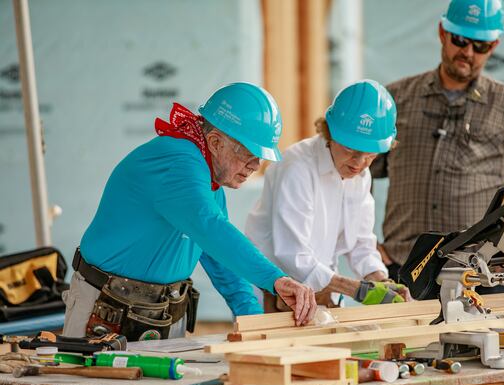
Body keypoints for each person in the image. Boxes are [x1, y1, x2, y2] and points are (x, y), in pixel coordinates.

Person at [63, 82, 317, 341]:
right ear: (216, 142)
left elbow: (221, 260)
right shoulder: (179, 162)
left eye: (260, 158)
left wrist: (254, 322)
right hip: (106, 311)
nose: (255, 166)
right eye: (249, 154)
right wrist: (275, 279)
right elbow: (211, 228)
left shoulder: (208, 181)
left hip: (159, 313)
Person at [371, 0, 504, 297]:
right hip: (405, 272)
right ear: (443, 32)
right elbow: (357, 171)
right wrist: (365, 245)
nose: (467, 53)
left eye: (480, 46)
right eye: (460, 40)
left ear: (493, 45)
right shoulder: (396, 100)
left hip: (485, 275)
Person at [245, 80, 412, 312]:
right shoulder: (297, 167)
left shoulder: (360, 176)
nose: (359, 163)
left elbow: (362, 243)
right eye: (351, 150)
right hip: (270, 295)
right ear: (330, 133)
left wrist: (382, 282)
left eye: (370, 155)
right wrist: (355, 288)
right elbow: (293, 255)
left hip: (317, 292)